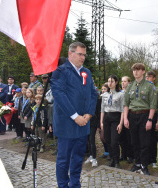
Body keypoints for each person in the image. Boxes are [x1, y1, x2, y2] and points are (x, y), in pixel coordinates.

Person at [50, 42, 97, 188]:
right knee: (64, 159)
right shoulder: (60, 71)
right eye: (80, 54)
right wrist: (75, 116)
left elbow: (93, 93)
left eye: (84, 54)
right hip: (67, 123)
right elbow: (59, 95)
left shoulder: (87, 72)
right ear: (71, 54)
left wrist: (88, 114)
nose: (83, 57)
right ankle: (63, 185)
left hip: (83, 123)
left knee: (78, 158)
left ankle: (75, 183)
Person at [124, 63, 157, 175]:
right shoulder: (130, 85)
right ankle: (137, 163)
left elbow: (153, 105)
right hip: (132, 116)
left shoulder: (149, 86)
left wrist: (150, 120)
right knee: (134, 141)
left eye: (138, 70)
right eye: (134, 70)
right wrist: (125, 119)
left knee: (145, 142)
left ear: (143, 71)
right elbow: (126, 104)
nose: (136, 72)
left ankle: (144, 165)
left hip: (144, 115)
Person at [100, 75, 124, 168]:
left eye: (112, 81)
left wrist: (121, 123)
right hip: (106, 117)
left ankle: (117, 161)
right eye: (108, 81)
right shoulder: (105, 95)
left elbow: (122, 110)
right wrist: (101, 122)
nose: (110, 83)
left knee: (114, 141)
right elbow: (102, 109)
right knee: (107, 139)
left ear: (116, 82)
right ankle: (112, 159)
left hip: (116, 118)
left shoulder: (121, 95)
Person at [145, 71, 158, 168]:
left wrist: (157, 121)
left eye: (149, 77)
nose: (147, 78)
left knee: (153, 139)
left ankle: (153, 159)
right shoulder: (144, 88)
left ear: (154, 78)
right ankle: (145, 159)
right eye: (146, 77)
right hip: (145, 114)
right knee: (144, 139)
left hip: (154, 115)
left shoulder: (157, 90)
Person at [119, 76, 134, 163]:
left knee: (129, 137)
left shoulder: (131, 93)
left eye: (125, 81)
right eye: (122, 81)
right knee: (121, 136)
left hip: (129, 115)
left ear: (129, 82)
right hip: (120, 116)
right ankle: (123, 154)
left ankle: (131, 155)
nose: (123, 83)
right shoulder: (120, 93)